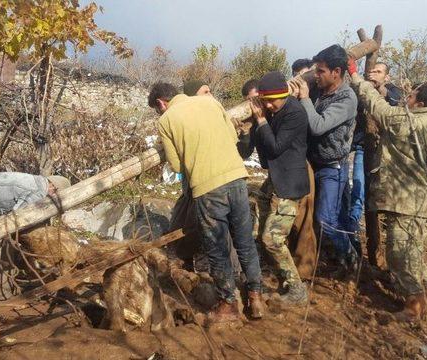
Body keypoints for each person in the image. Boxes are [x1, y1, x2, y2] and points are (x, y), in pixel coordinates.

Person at [148, 82, 264, 322]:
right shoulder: (211, 102)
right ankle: (256, 297)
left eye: (158, 108)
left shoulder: (166, 120)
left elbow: (177, 166)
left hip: (207, 187)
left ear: (161, 103)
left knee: (218, 249)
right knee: (244, 241)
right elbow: (233, 137)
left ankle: (228, 304)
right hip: (237, 178)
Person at [348, 57, 427, 321]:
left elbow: (377, 107)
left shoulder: (409, 122)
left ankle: (413, 307)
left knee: (399, 253)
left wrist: (355, 75)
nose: (407, 98)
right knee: (414, 250)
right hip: (423, 201)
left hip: (405, 200)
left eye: (411, 96)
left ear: (420, 103)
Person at [290, 44, 358, 273]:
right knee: (309, 216)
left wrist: (306, 98)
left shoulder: (347, 99)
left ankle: (350, 255)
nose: (316, 75)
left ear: (336, 72)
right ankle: (318, 259)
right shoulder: (319, 88)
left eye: (320, 71)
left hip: (332, 167)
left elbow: (318, 126)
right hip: (313, 163)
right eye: (315, 71)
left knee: (327, 221)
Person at [248, 71, 310, 304]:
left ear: (284, 95)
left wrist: (262, 120)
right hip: (275, 180)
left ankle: (296, 289)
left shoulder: (294, 114)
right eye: (266, 102)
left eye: (273, 100)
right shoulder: (277, 110)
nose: (270, 106)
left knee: (272, 240)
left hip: (289, 185)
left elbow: (274, 147)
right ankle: (283, 280)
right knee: (262, 234)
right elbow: (265, 156)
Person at [347, 62, 403, 263]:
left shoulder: (393, 92)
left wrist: (377, 88)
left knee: (383, 199)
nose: (373, 74)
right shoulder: (359, 91)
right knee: (359, 192)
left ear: (386, 77)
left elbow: (393, 102)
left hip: (386, 154)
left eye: (378, 72)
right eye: (371, 71)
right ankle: (353, 239)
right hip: (363, 148)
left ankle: (387, 252)